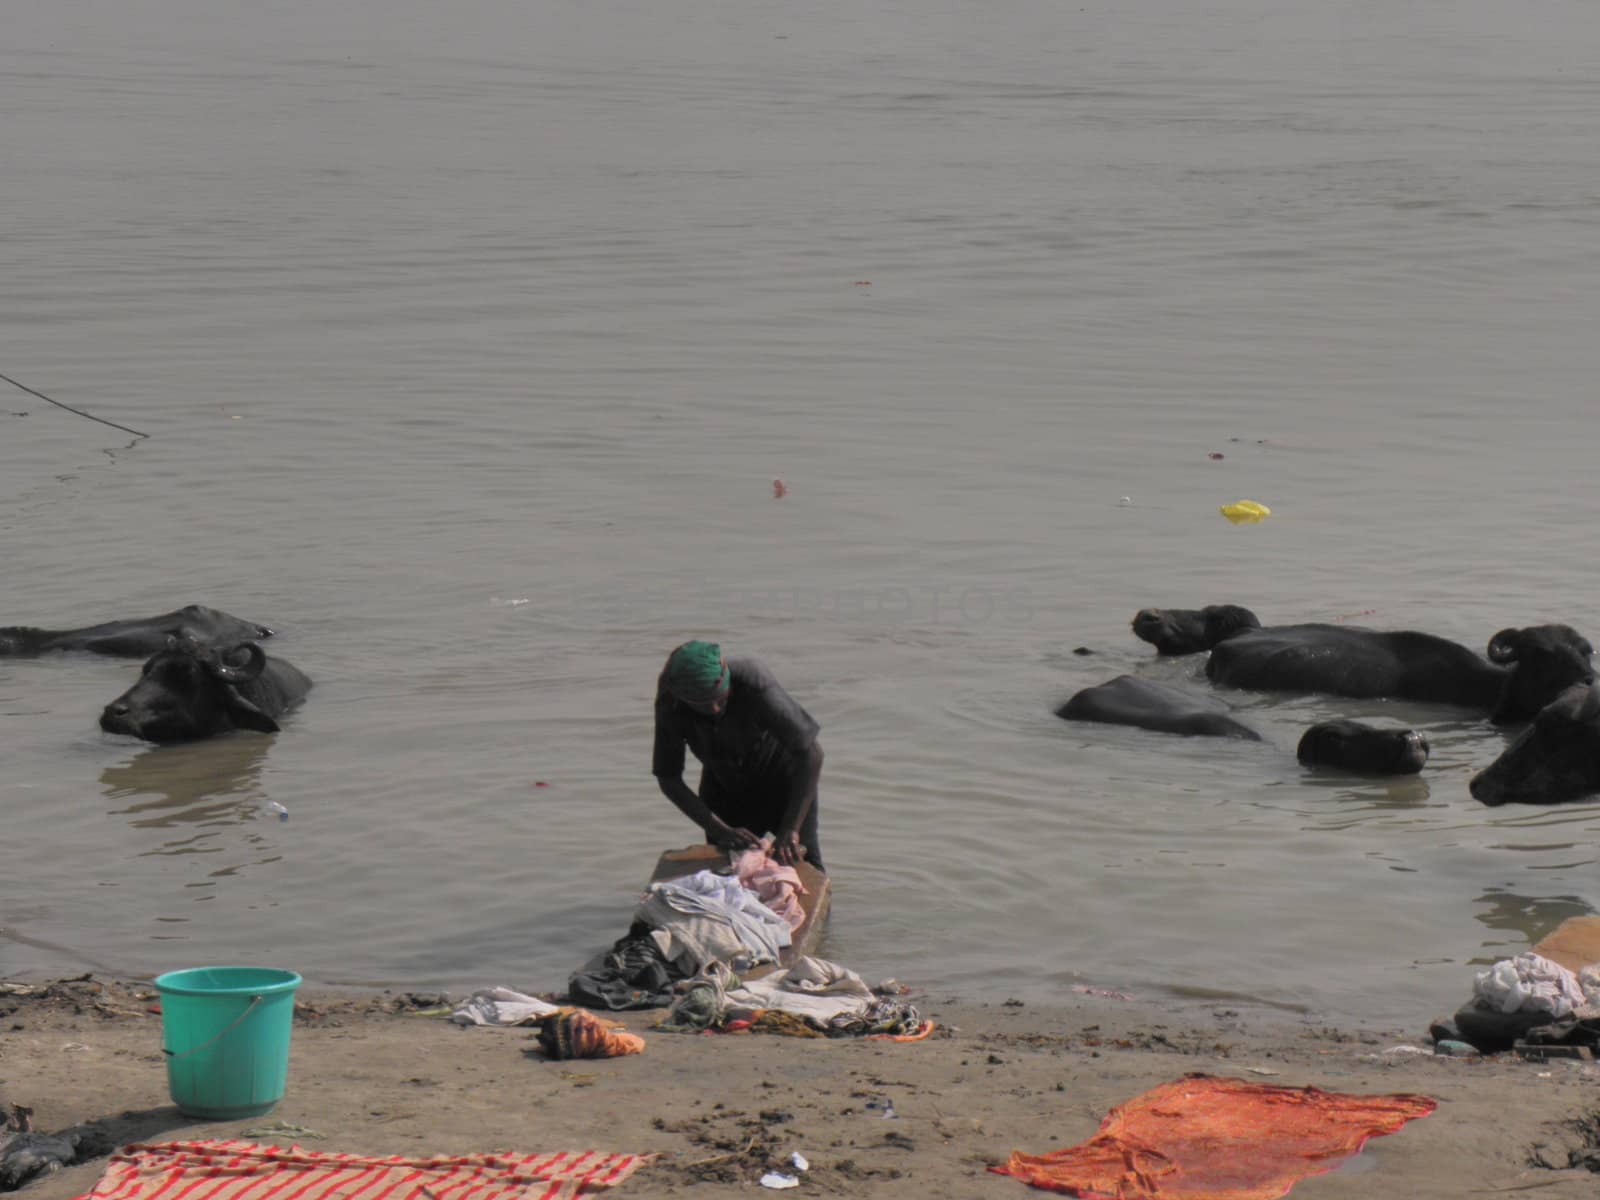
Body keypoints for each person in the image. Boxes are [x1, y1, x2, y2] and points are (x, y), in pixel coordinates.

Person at [652, 640, 826, 872]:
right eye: (702, 704)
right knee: (728, 872)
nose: (714, 708)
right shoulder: (670, 703)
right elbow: (669, 778)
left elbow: (811, 753)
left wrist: (791, 830)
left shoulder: (753, 680)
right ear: (682, 698)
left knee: (804, 867)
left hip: (784, 783)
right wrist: (719, 829)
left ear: (728, 681)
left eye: (720, 699)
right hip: (725, 790)